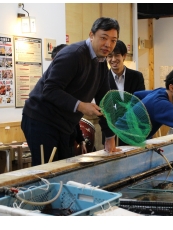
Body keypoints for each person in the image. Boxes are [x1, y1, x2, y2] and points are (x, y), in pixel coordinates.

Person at [21, 17, 120, 166]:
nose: (108, 44)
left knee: (65, 172)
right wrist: (81, 105)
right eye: (103, 38)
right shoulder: (73, 55)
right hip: (41, 120)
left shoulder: (101, 63)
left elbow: (105, 101)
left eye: (113, 40)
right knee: (48, 174)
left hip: (65, 125)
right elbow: (50, 89)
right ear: (91, 35)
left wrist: (109, 137)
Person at [104, 39, 145, 146]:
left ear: (124, 56)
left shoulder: (137, 76)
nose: (113, 59)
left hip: (133, 130)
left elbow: (139, 102)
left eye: (117, 55)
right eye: (109, 56)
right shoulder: (102, 79)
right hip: (112, 132)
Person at [51, 44, 87, 156]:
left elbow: (74, 118)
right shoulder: (51, 88)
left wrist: (81, 140)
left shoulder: (73, 85)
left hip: (69, 139)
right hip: (54, 138)